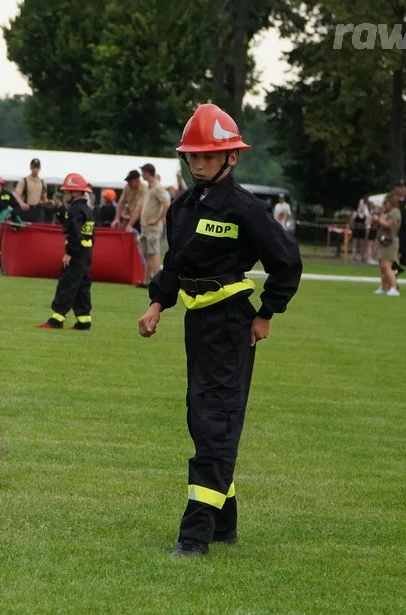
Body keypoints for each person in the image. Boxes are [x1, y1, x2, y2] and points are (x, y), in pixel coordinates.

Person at [138, 103, 302, 558]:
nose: (198, 164)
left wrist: (267, 312)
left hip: (232, 325)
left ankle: (194, 537)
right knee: (201, 415)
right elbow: (176, 264)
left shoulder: (247, 208)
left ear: (231, 158)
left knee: (215, 422)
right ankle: (224, 526)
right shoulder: (184, 207)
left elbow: (286, 262)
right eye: (193, 156)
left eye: (208, 156)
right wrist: (157, 304)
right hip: (198, 322)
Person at [36, 173, 94, 330]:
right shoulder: (86, 209)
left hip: (76, 253)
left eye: (67, 192)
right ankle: (84, 321)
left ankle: (56, 319)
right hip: (86, 253)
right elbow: (88, 234)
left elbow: (74, 233)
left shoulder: (75, 210)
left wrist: (69, 252)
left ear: (75, 193)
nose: (65, 195)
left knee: (67, 284)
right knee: (82, 286)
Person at [139, 163, 170, 289]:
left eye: (143, 173)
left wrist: (158, 219)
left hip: (153, 228)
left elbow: (166, 203)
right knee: (148, 255)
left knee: (154, 254)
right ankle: (146, 281)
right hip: (146, 227)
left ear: (147, 173)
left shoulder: (157, 187)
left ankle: (158, 282)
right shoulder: (149, 187)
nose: (142, 175)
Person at [374, 194, 401, 296]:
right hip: (382, 240)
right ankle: (383, 287)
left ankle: (393, 287)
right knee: (382, 267)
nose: (384, 204)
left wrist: (378, 219)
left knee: (387, 266)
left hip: (390, 241)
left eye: (386, 202)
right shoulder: (386, 212)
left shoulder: (395, 212)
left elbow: (388, 224)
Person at [15, 158, 47, 222]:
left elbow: (44, 198)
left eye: (37, 167)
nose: (35, 169)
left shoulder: (43, 182)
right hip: (26, 210)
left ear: (40, 168)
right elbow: (16, 194)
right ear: (31, 168)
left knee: (37, 230)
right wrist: (21, 203)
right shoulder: (24, 180)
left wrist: (49, 202)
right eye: (34, 167)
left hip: (37, 211)